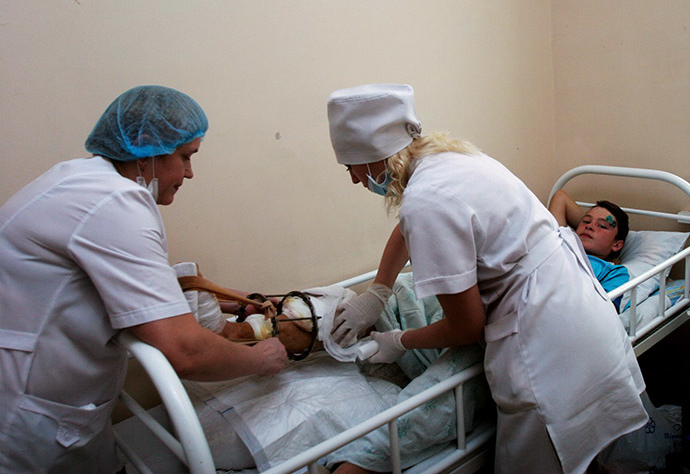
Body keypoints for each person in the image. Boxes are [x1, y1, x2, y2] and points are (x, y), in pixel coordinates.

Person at [326, 84, 648, 473]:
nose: (354, 180)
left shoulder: (426, 198)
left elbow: (466, 325)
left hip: (547, 341)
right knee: (587, 457)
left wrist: (397, 341)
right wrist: (379, 291)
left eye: (351, 168)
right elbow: (408, 228)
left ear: (374, 158)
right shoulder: (449, 160)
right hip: (581, 313)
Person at [0, 85, 288, 473]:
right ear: (148, 145)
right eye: (185, 156)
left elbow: (116, 282)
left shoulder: (77, 180)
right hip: (31, 425)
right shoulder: (116, 203)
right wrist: (258, 359)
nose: (189, 172)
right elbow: (185, 351)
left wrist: (219, 296)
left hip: (51, 405)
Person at [549, 190, 630, 309]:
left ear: (617, 245)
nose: (589, 226)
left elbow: (604, 313)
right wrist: (583, 233)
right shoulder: (562, 242)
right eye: (586, 221)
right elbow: (560, 197)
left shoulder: (614, 272)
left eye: (602, 226)